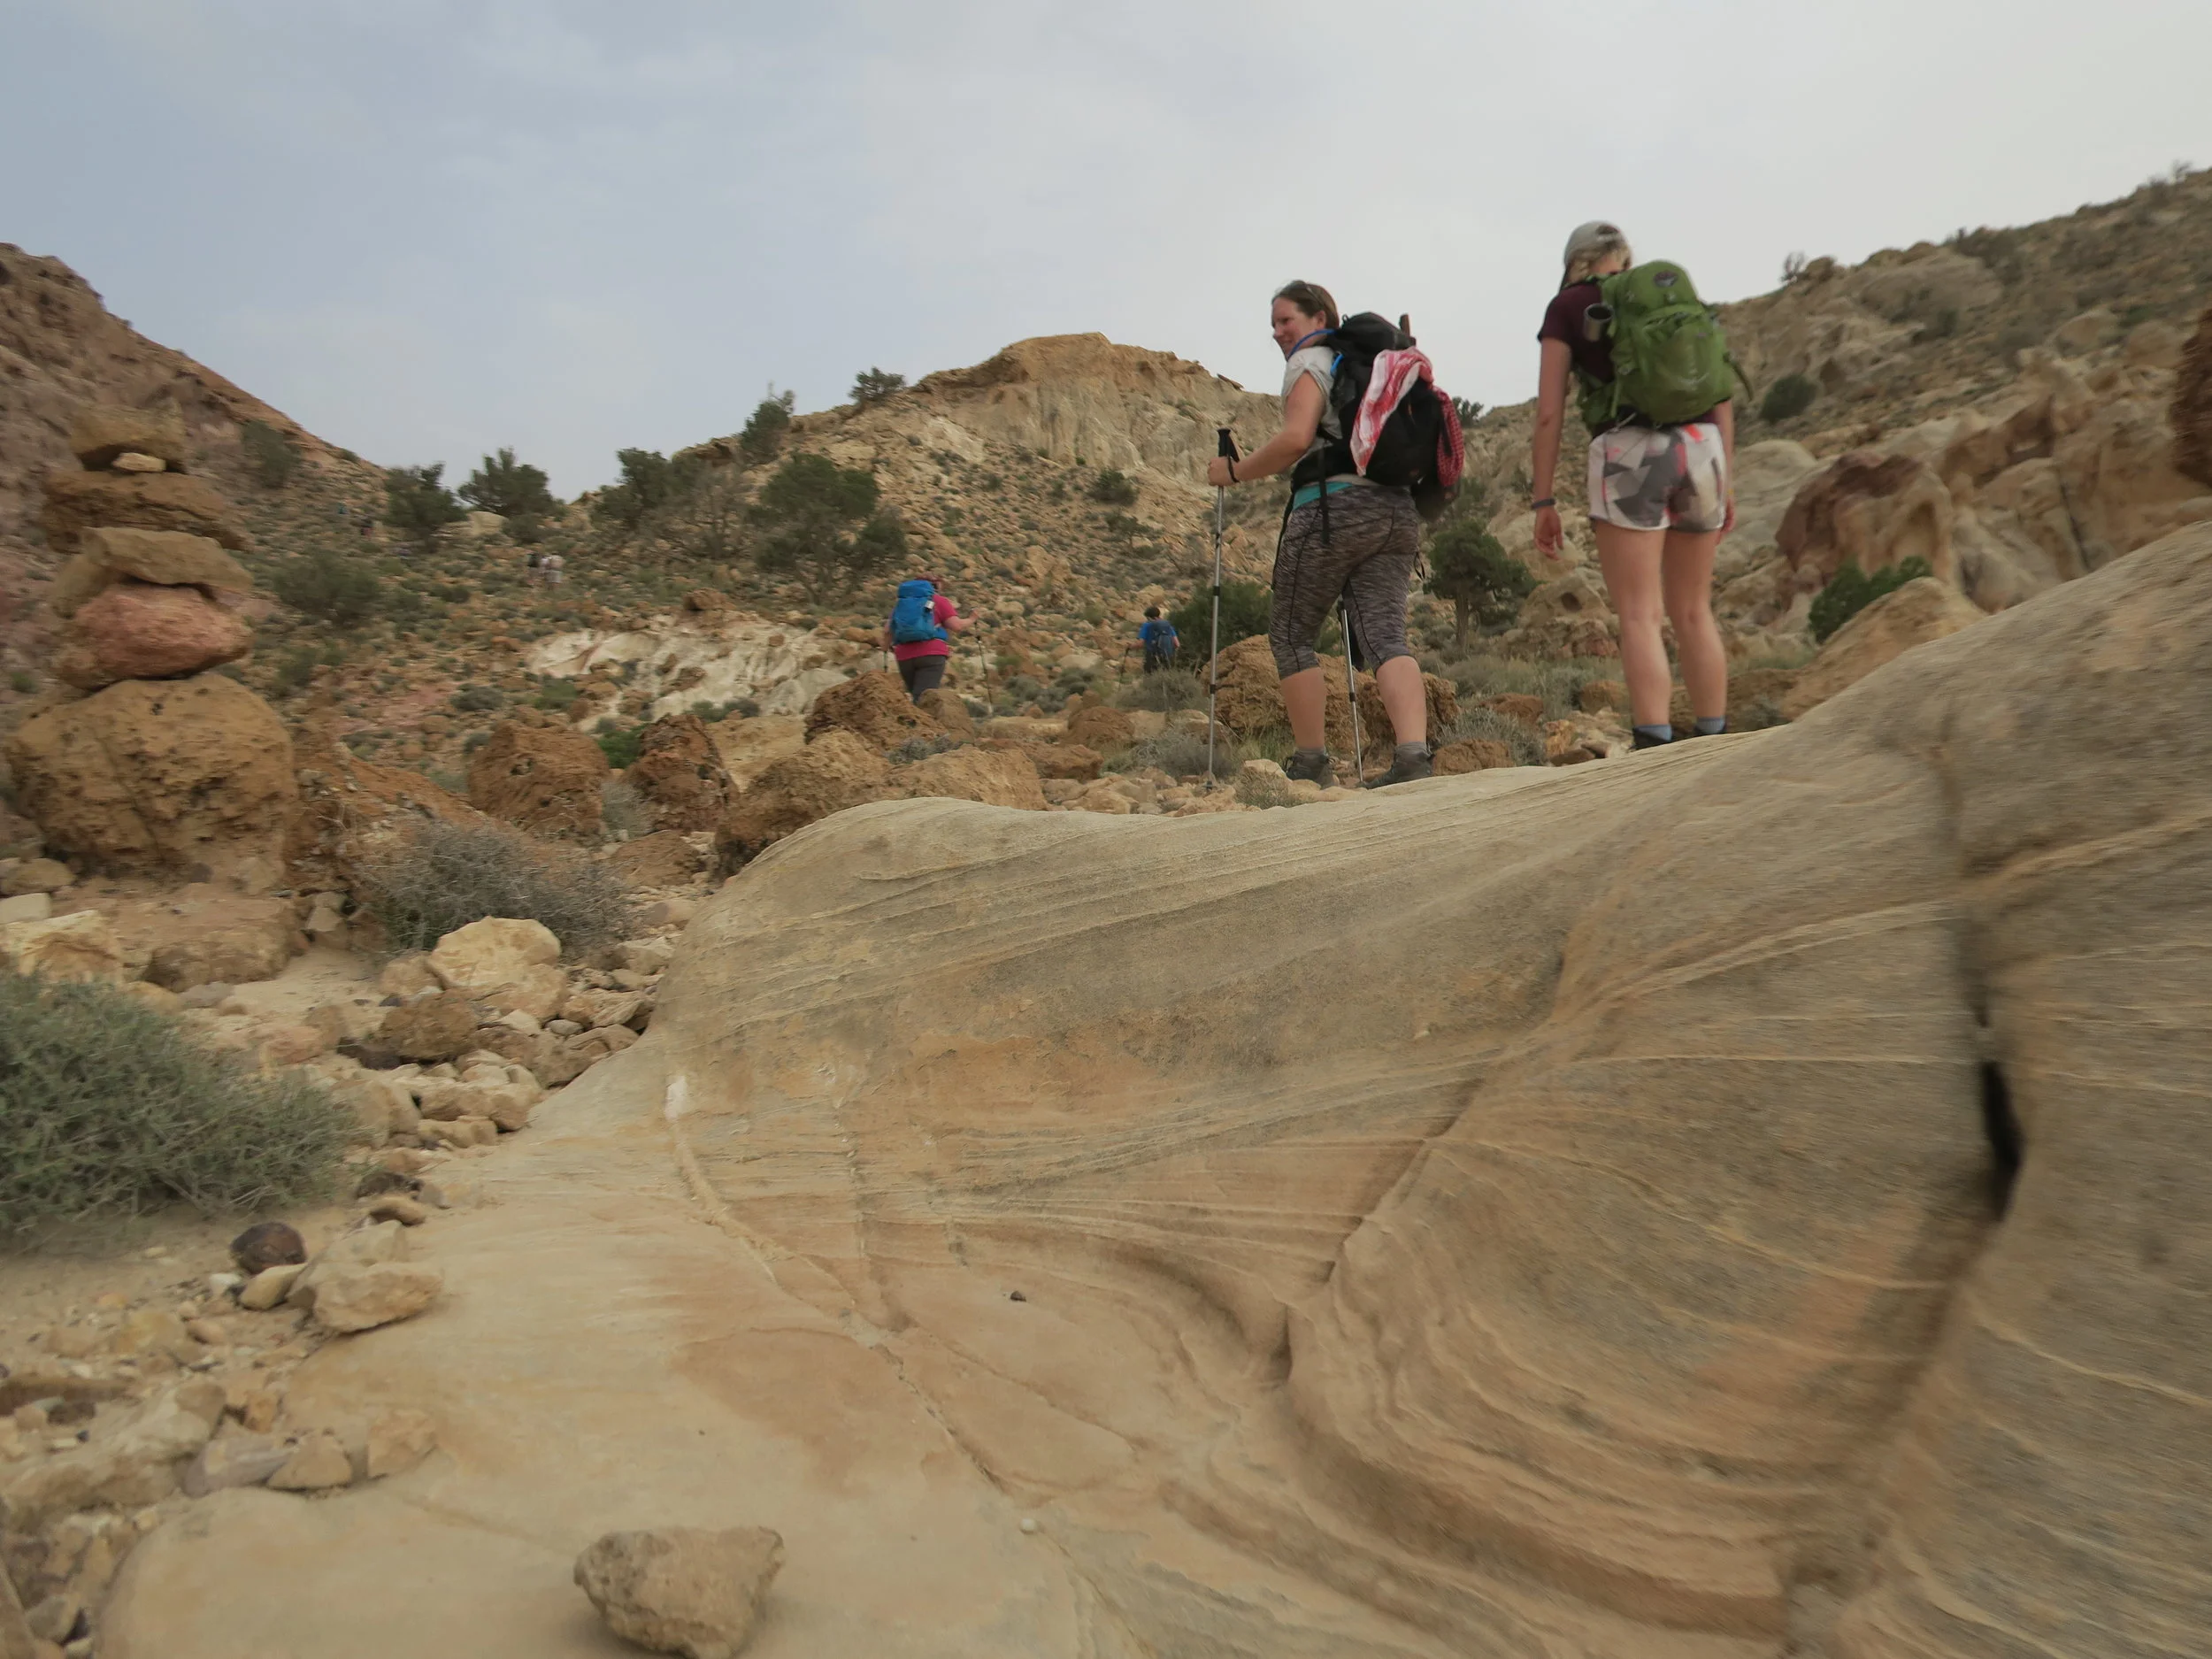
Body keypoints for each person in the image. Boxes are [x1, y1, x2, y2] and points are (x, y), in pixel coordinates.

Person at [1205, 280, 1429, 788]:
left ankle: (1311, 763)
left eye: (1286, 320)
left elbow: (1295, 439)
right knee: (1386, 637)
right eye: (1274, 324)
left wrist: (1234, 472)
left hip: (1331, 510)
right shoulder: (1375, 367)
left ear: (1319, 317)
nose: (1278, 332)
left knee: (1291, 636)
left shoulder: (1312, 361)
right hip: (1395, 510)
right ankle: (1413, 756)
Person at [1531, 221, 1732, 748]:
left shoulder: (1569, 306)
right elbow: (1720, 392)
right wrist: (1726, 481)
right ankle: (1716, 739)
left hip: (1630, 452)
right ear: (1624, 258)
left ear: (1573, 261)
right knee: (1695, 610)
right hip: (1702, 447)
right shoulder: (1672, 300)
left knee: (1641, 614)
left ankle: (1654, 746)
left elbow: (1549, 413)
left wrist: (1544, 498)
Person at [884, 574, 967, 703]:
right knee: (925, 699)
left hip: (904, 656)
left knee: (916, 695)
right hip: (931, 654)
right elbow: (957, 626)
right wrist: (972, 618)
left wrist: (885, 649)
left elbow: (887, 631)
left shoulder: (902, 603)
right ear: (933, 586)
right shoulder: (938, 600)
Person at [1139, 606, 1179, 673]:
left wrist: (1130, 647)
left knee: (1150, 677)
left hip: (1152, 658)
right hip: (1168, 658)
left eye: (1147, 618)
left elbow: (1140, 643)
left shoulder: (1146, 625)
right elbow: (1177, 644)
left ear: (1149, 617)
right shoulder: (1168, 626)